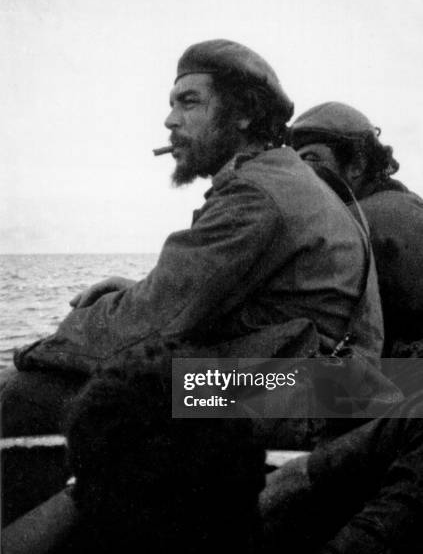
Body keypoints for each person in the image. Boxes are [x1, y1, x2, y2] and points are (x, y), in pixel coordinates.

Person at [2, 41, 393, 442]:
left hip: (299, 395)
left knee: (30, 394)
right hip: (333, 387)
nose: (170, 121)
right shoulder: (284, 178)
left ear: (243, 113)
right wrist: (140, 292)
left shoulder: (256, 193)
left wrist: (37, 353)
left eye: (188, 103)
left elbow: (147, 323)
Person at [289, 102, 423, 357]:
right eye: (294, 163)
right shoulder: (404, 205)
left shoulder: (354, 223)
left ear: (357, 165)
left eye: (311, 158)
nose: (300, 174)